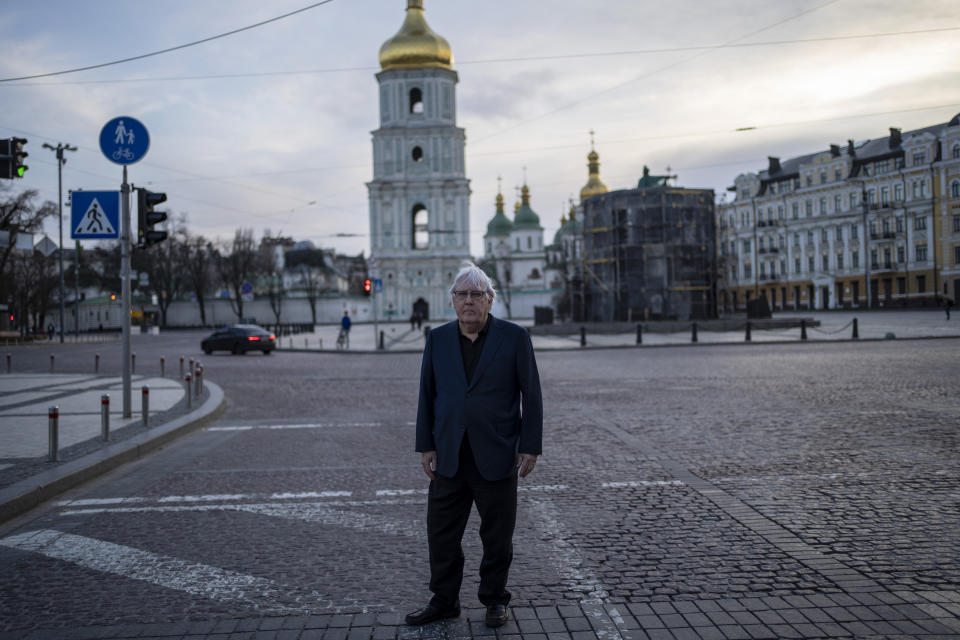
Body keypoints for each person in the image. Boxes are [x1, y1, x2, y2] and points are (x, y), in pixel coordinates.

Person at [406, 262, 542, 629]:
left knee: (497, 535)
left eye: (476, 295)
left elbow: (531, 393)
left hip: (496, 453)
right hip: (449, 454)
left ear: (490, 300)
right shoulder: (437, 339)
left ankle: (495, 599)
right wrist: (426, 446)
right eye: (462, 295)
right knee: (441, 532)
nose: (469, 301)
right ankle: (444, 599)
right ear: (452, 301)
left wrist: (529, 446)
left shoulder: (513, 338)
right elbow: (427, 395)